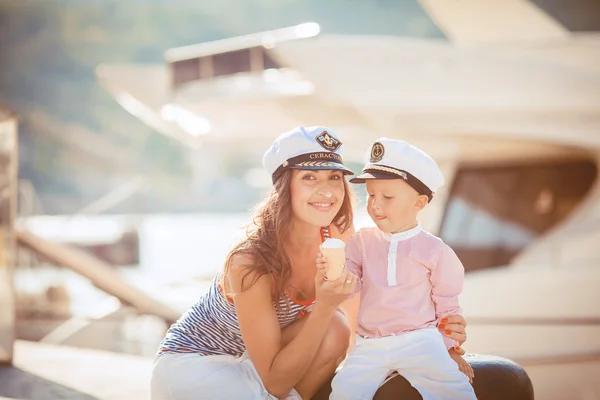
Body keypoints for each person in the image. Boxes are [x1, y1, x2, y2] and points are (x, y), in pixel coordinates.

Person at [151, 127, 468, 400]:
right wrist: (326, 305)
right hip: (198, 365)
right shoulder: (249, 261)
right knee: (328, 323)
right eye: (309, 178)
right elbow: (275, 382)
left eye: (334, 177)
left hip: (263, 363)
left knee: (337, 330)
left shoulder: (338, 235)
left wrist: (440, 341)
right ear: (284, 187)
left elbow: (365, 316)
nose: (327, 191)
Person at [326, 138, 476, 400]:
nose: (376, 204)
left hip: (420, 340)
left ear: (419, 203)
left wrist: (450, 350)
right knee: (343, 391)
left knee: (453, 390)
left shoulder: (435, 251)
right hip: (369, 343)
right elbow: (350, 288)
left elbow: (447, 306)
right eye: (371, 195)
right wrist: (334, 270)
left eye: (388, 196)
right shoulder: (361, 242)